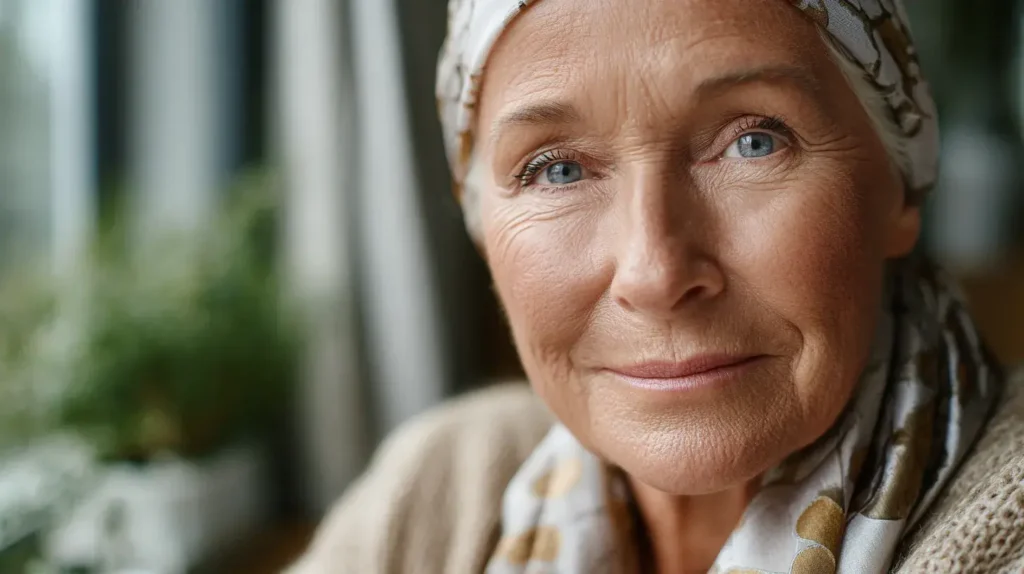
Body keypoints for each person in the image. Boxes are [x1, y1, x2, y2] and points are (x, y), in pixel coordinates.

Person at [290, 0, 1024, 572]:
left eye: (754, 140)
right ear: (482, 223)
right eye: (558, 168)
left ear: (900, 185)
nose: (655, 272)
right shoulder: (444, 485)